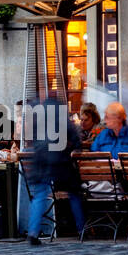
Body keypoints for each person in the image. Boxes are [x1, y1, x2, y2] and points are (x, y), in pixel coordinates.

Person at [21, 100, 83, 245]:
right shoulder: (65, 123)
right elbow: (77, 143)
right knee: (74, 193)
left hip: (40, 164)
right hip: (61, 164)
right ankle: (81, 229)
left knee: (40, 196)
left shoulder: (38, 124)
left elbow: (34, 143)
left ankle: (33, 232)